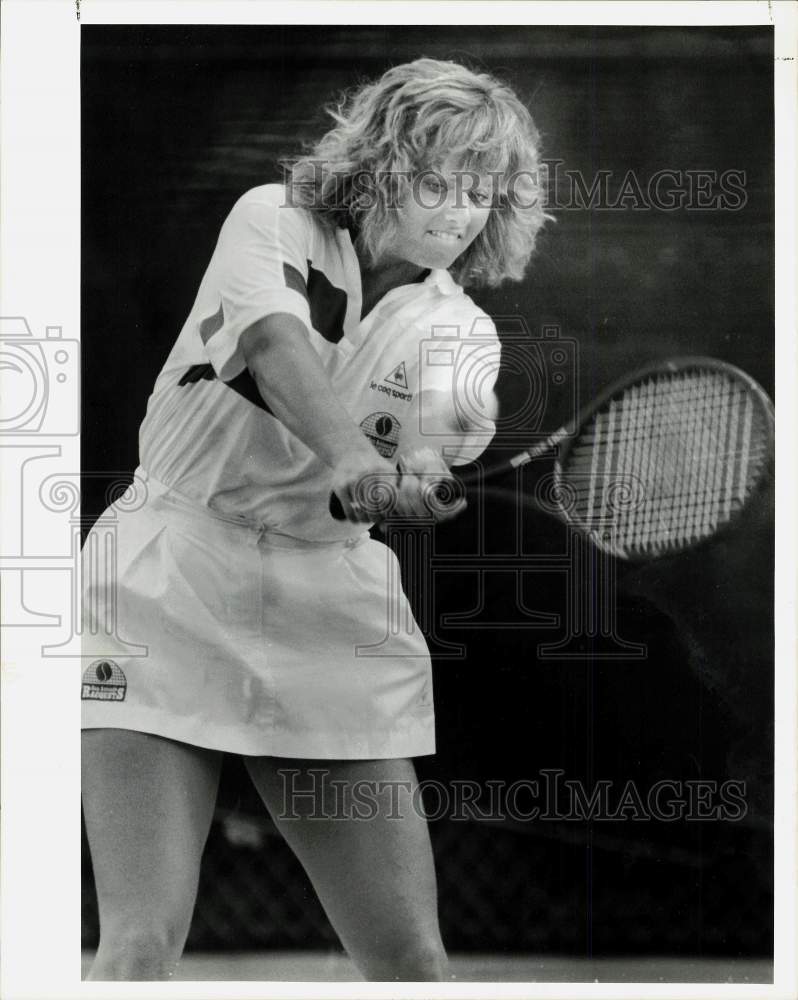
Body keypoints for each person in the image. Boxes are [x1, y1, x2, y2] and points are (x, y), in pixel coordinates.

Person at [81, 57, 549, 981]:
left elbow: (431, 442)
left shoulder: (463, 335)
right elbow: (271, 341)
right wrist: (351, 458)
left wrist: (415, 472)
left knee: (413, 961)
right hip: (163, 579)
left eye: (481, 192)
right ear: (380, 164)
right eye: (438, 182)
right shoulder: (270, 219)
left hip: (328, 610)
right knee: (136, 945)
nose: (459, 212)